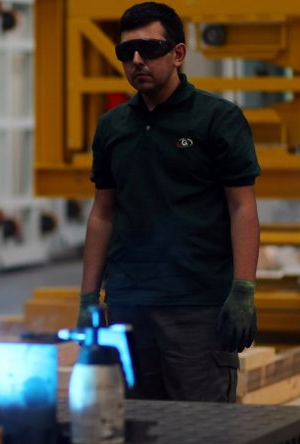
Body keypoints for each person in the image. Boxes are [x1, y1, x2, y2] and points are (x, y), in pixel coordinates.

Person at [77, 1, 260, 403]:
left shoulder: (218, 119)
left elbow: (242, 207)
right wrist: (89, 297)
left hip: (197, 308)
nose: (137, 61)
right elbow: (103, 213)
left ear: (178, 54)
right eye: (127, 52)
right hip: (128, 307)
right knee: (134, 423)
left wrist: (243, 288)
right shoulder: (112, 127)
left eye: (149, 49)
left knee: (202, 426)